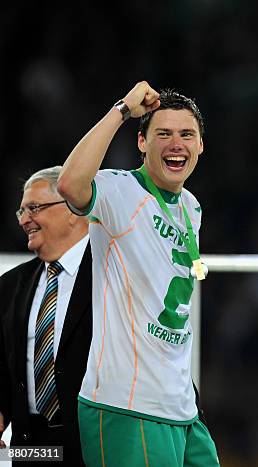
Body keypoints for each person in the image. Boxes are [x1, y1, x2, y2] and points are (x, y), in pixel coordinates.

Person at [57, 81, 220, 467]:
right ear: (142, 142)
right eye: (163, 133)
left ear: (200, 146)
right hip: (128, 404)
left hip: (181, 405)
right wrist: (121, 111)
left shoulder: (191, 207)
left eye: (187, 134)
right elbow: (69, 184)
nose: (176, 143)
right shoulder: (119, 191)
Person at [0, 166, 91, 466]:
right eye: (22, 211)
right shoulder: (10, 285)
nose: (25, 220)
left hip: (98, 448)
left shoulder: (112, 274)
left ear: (73, 209)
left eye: (34, 208)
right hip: (33, 453)